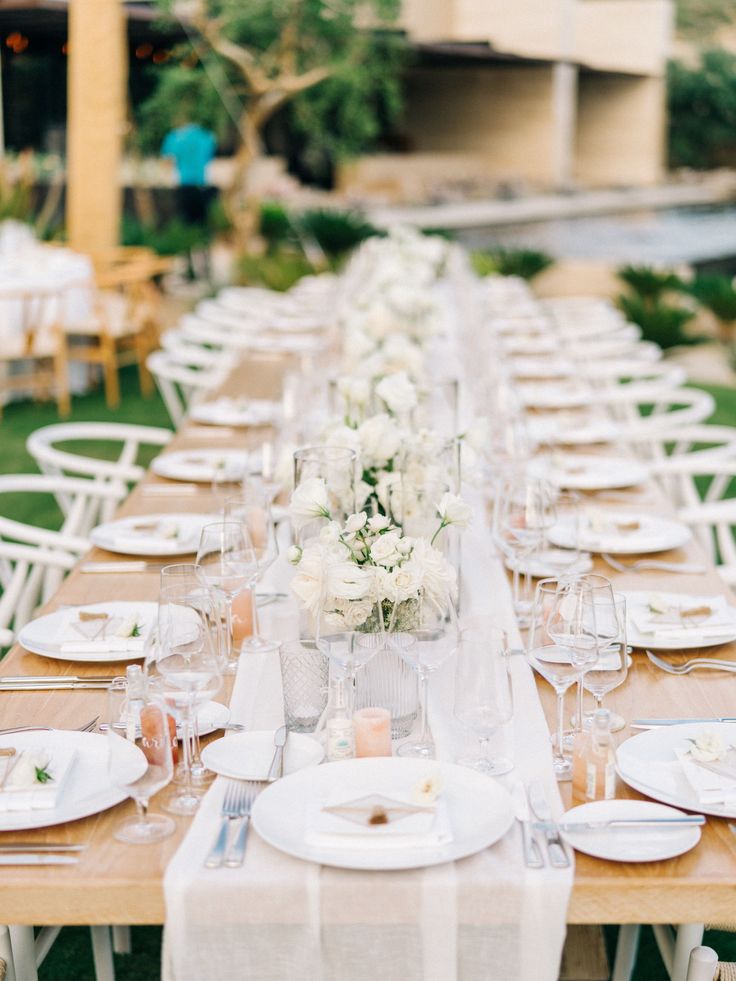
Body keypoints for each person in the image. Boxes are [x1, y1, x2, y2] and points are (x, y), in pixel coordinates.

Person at [162, 119, 217, 279]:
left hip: (184, 187)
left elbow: (168, 163)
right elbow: (208, 160)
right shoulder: (207, 137)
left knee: (186, 229)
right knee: (204, 230)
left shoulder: (174, 138)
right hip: (202, 187)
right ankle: (206, 268)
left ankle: (190, 270)